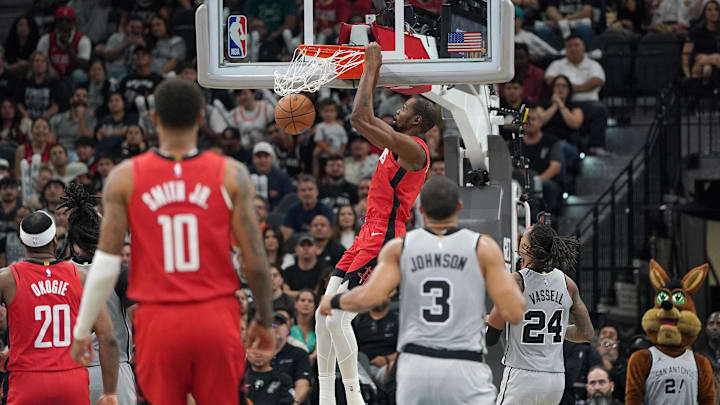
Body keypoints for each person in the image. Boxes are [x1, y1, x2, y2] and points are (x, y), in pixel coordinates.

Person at [69, 78, 275, 404]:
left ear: (154, 119)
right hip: (215, 318)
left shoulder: (124, 177)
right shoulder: (231, 173)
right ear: (201, 118)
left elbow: (105, 266)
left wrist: (82, 331)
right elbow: (256, 264)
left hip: (159, 322)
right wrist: (265, 321)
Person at [319, 175, 526, 404]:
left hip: (416, 365)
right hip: (464, 363)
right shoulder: (483, 247)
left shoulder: (400, 247)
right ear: (459, 207)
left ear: (420, 209)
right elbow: (514, 311)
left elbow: (371, 296)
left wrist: (334, 302)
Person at [315, 42, 438, 405]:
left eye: (403, 108)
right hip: (367, 231)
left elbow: (358, 119)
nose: (396, 110)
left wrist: (371, 67)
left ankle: (354, 399)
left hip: (384, 235)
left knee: (338, 320)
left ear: (417, 121)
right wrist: (365, 74)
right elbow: (363, 115)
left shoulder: (415, 150)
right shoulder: (397, 139)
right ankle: (325, 398)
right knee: (325, 315)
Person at [0, 211, 118, 404]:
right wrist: (111, 392)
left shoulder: (7, 278)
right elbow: (108, 338)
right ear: (55, 240)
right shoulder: (81, 277)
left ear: (21, 241)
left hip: (26, 381)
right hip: (71, 381)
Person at [487, 223, 595, 405]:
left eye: (524, 236)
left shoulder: (516, 282)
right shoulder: (567, 284)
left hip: (523, 376)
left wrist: (489, 322)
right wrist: (559, 331)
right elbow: (587, 334)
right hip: (555, 380)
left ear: (526, 247)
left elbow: (490, 337)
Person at [57, 183, 136, 404]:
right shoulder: (119, 270)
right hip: (115, 370)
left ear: (71, 236)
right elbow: (140, 318)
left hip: (70, 374)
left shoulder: (58, 275)